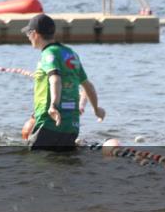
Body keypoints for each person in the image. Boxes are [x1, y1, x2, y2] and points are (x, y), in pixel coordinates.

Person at [19, 15, 104, 151]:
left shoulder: (48, 54)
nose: (28, 37)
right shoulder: (71, 54)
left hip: (49, 123)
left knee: (35, 166)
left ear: (35, 34)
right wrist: (96, 109)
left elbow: (55, 78)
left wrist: (53, 106)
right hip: (71, 127)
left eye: (28, 33)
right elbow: (88, 85)